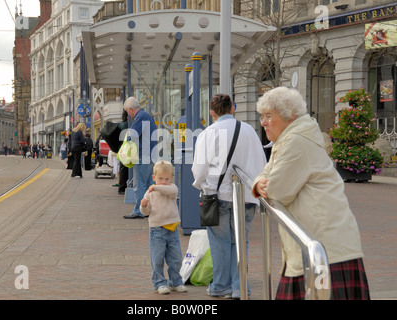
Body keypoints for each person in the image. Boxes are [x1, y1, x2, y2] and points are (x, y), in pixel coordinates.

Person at [252, 86, 370, 300]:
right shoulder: (289, 139)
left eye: (269, 116)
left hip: (325, 246)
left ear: (290, 116)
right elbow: (266, 173)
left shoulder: (296, 140)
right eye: (262, 116)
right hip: (322, 245)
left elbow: (278, 190)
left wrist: (264, 184)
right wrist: (259, 182)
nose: (263, 123)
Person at [192, 94, 266, 299]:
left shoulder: (209, 133)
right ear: (233, 108)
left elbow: (199, 170)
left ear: (212, 112)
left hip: (219, 195)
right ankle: (239, 286)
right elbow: (261, 163)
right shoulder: (250, 131)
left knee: (220, 242)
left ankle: (220, 286)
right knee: (241, 241)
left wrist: (201, 186)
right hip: (247, 197)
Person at [140, 160, 187, 295]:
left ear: (171, 178)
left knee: (176, 259)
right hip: (157, 230)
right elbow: (146, 212)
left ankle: (175, 282)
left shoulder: (171, 188)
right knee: (157, 259)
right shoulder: (150, 193)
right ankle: (159, 283)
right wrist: (143, 205)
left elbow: (171, 190)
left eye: (167, 179)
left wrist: (155, 187)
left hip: (172, 230)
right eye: (160, 178)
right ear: (154, 178)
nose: (164, 181)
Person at [122, 97, 157, 219]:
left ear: (131, 109)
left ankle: (139, 210)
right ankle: (149, 209)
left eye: (128, 111)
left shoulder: (140, 116)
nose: (128, 114)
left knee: (139, 183)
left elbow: (132, 135)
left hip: (143, 154)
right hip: (151, 153)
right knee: (149, 183)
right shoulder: (146, 115)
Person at [118, 109, 129, 195]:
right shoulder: (128, 125)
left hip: (121, 148)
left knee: (123, 168)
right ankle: (122, 188)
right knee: (125, 169)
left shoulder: (121, 125)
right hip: (127, 149)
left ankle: (122, 187)